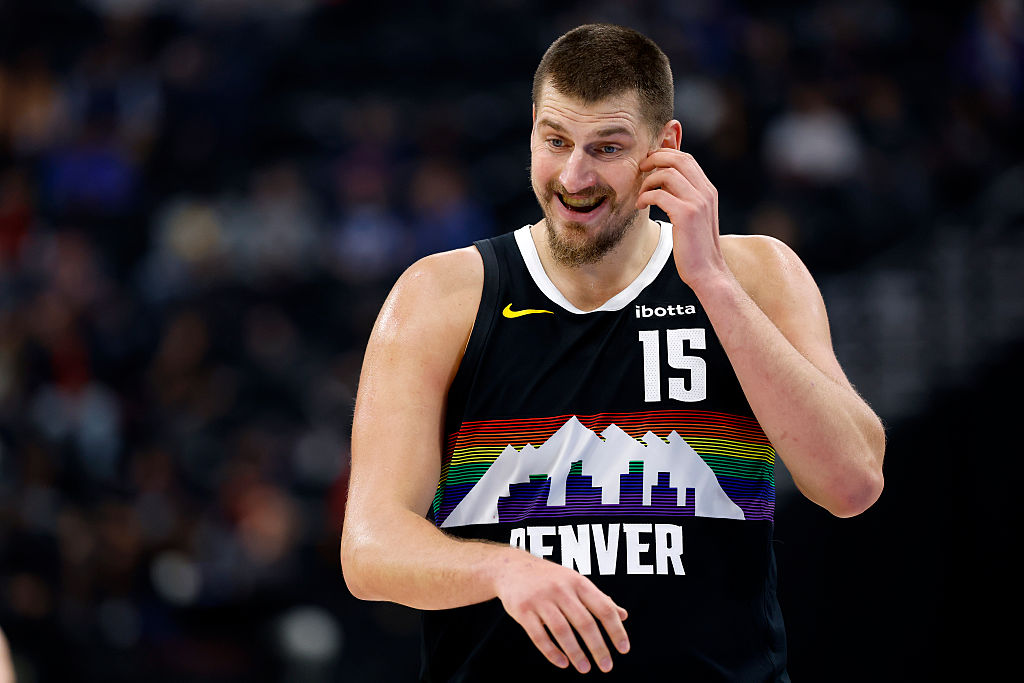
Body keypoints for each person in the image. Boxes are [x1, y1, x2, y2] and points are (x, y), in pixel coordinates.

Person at [340, 23, 885, 681]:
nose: (574, 176)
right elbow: (370, 545)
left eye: (606, 147)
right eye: (556, 141)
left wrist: (711, 281)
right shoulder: (441, 296)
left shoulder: (757, 273)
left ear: (667, 147)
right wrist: (502, 566)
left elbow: (852, 482)